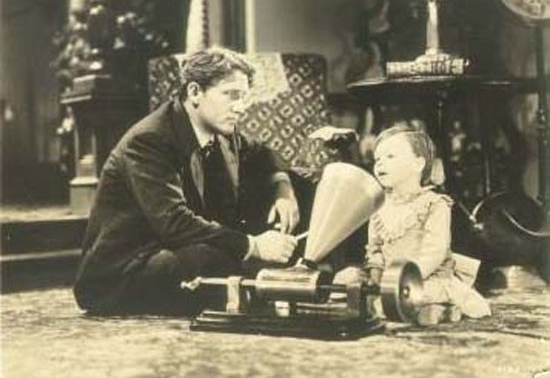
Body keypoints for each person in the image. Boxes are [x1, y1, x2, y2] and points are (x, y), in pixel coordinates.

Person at [73, 47, 300, 315]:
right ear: (194, 92)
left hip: (174, 250)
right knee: (212, 259)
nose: (240, 107)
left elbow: (264, 154)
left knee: (297, 193)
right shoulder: (149, 140)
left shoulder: (220, 129)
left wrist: (283, 191)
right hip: (122, 273)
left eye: (244, 97)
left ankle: (262, 281)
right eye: (231, 95)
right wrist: (254, 245)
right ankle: (259, 282)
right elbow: (175, 224)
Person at [335, 125, 491, 325]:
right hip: (389, 279)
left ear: (418, 164)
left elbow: (435, 251)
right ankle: (407, 307)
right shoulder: (379, 205)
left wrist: (406, 278)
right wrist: (376, 277)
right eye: (377, 159)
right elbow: (375, 248)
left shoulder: (435, 204)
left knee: (419, 293)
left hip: (424, 277)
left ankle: (438, 309)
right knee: (346, 281)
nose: (380, 163)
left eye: (390, 157)